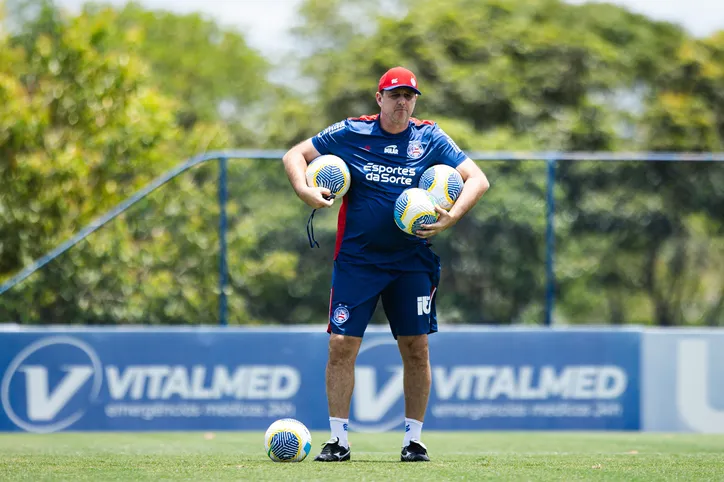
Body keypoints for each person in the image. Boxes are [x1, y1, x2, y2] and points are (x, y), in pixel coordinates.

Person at [282, 66, 490, 462]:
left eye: (409, 96)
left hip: (411, 261)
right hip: (358, 260)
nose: (402, 102)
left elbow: (477, 179)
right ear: (379, 98)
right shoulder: (352, 132)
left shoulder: (430, 137)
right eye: (394, 95)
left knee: (416, 348)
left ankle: (414, 440)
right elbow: (295, 154)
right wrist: (305, 190)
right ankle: (339, 441)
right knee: (341, 345)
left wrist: (453, 215)